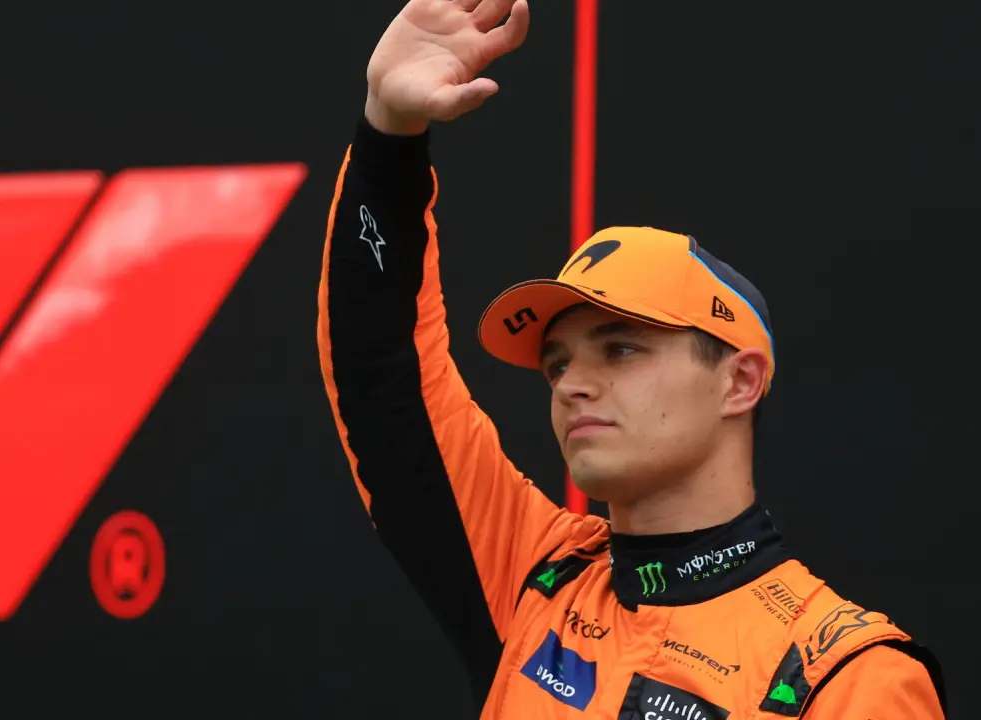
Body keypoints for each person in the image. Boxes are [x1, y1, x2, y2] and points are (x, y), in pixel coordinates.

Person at [316, 0, 947, 717]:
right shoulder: (530, 576)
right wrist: (388, 137)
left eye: (621, 349)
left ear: (740, 382)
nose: (571, 386)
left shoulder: (849, 677)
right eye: (557, 364)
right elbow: (384, 378)